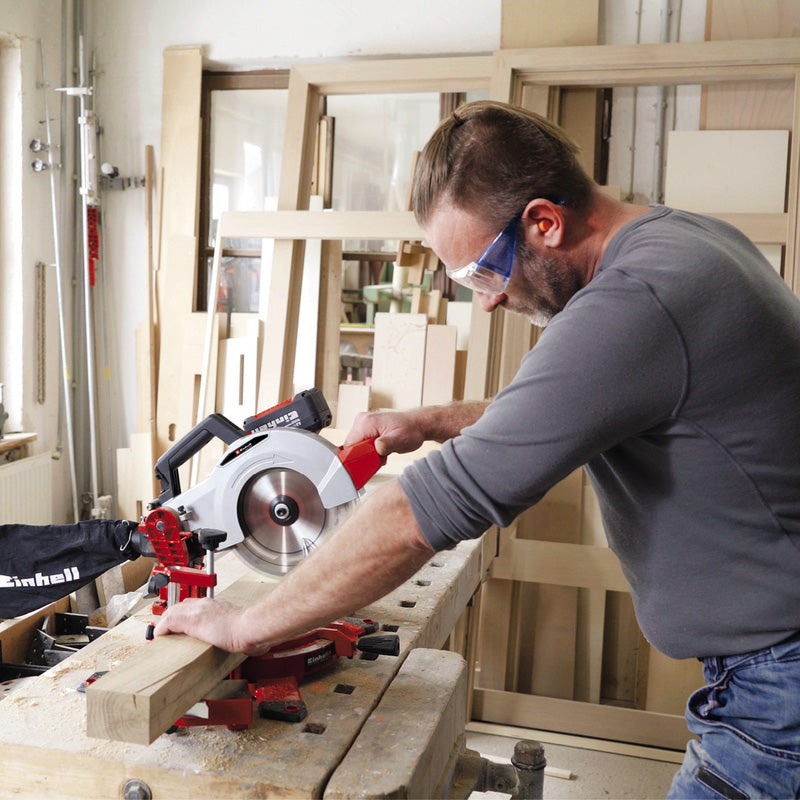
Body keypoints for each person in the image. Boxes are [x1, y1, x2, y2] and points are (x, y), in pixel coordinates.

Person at [155, 100, 800, 798]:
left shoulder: (635, 299)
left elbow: (416, 516)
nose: (488, 302)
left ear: (545, 222)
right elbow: (577, 407)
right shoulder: (681, 240)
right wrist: (431, 421)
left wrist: (245, 625)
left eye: (484, 272)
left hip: (777, 693)